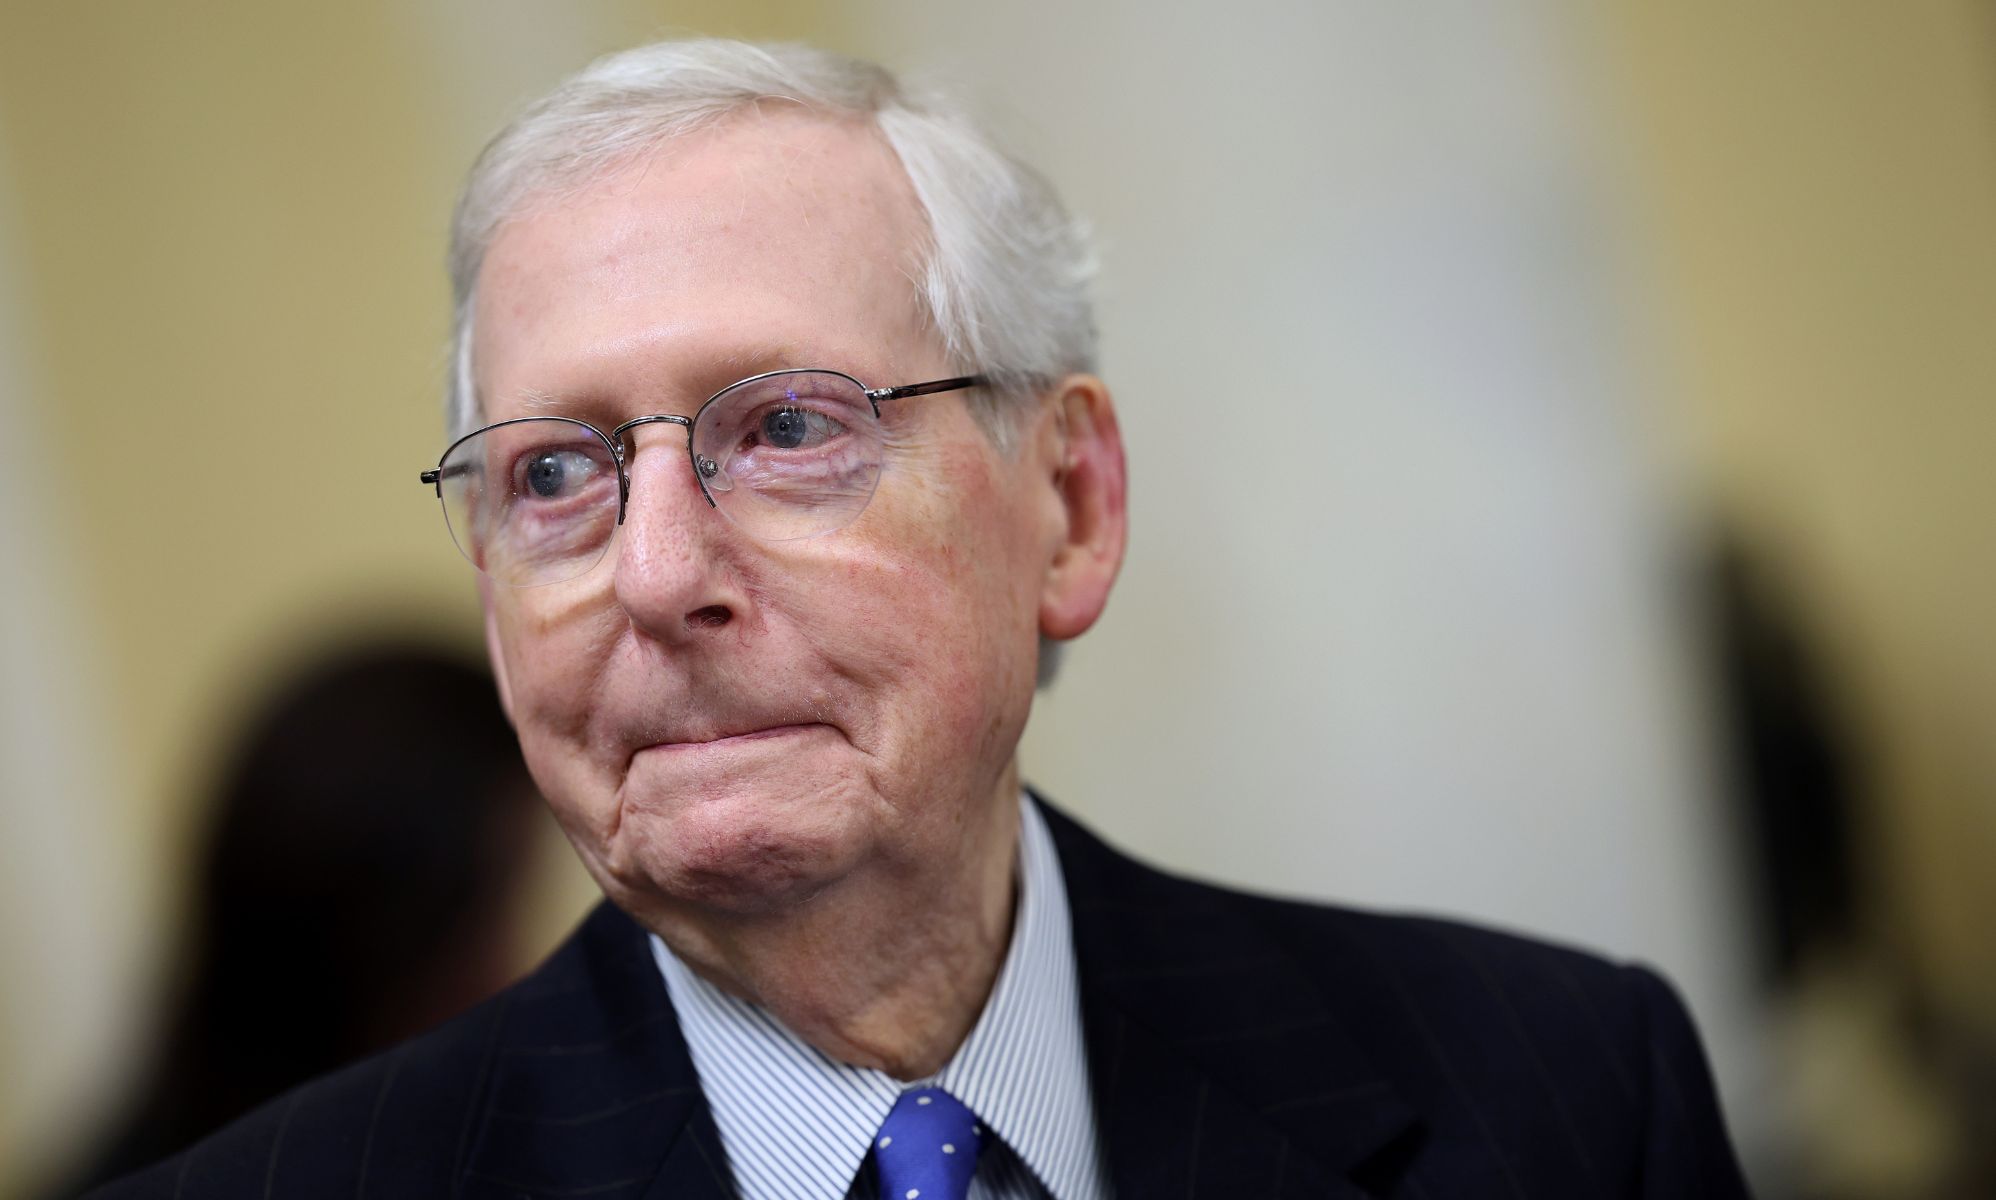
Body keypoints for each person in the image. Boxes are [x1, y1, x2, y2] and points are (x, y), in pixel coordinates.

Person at [92, 39, 1751, 1199]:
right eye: (554, 477)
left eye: (789, 429)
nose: (658, 573)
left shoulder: (1560, 1098)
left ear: (1071, 508)